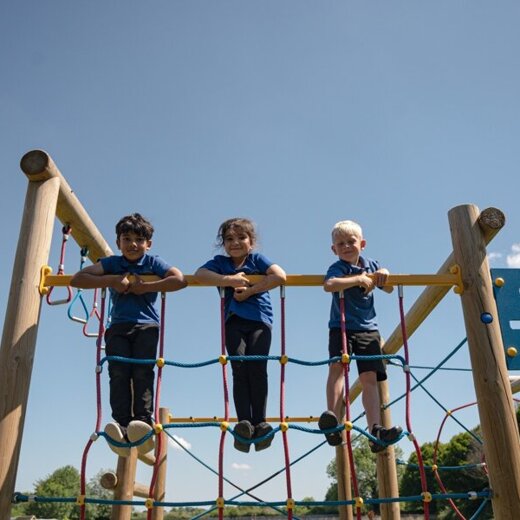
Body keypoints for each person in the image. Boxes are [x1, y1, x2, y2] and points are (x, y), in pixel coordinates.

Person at [71, 213, 187, 457]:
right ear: (118, 242)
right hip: (118, 327)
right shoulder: (113, 264)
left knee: (143, 372)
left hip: (146, 326)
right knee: (118, 372)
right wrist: (112, 280)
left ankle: (142, 423)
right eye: (127, 239)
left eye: (139, 239)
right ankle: (122, 425)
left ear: (148, 244)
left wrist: (146, 287)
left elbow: (179, 279)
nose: (133, 244)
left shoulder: (153, 263)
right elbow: (78, 278)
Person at [195, 218, 286, 452]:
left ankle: (261, 423)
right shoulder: (221, 263)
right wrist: (228, 280)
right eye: (229, 239)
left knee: (257, 368)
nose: (235, 242)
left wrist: (250, 291)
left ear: (251, 241)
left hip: (260, 321)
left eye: (241, 237)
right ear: (223, 244)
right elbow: (199, 275)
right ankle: (244, 423)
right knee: (238, 366)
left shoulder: (257, 259)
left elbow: (279, 276)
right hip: (233, 322)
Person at [319, 220, 402, 453]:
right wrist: (357, 279)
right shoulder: (338, 268)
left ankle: (375, 429)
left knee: (369, 378)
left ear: (362, 244)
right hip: (341, 326)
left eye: (351, 242)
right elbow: (329, 285)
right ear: (334, 249)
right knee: (337, 368)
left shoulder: (371, 264)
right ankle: (333, 421)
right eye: (340, 243)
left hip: (368, 329)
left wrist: (383, 274)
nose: (346, 246)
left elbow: (388, 287)